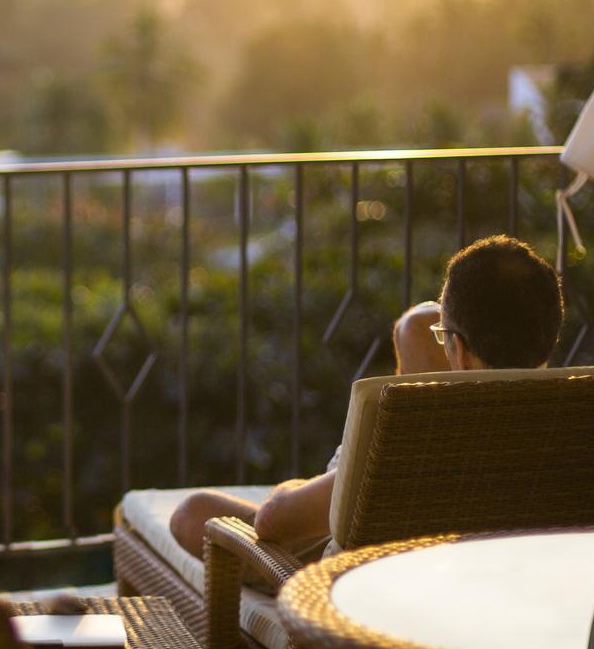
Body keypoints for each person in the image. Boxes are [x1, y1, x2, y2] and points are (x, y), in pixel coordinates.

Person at [167, 233, 563, 559]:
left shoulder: (418, 440)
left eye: (445, 338)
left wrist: (301, 487)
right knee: (413, 325)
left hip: (359, 590)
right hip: (499, 573)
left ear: (457, 349)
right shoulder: (581, 417)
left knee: (191, 513)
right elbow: (421, 321)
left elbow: (273, 522)